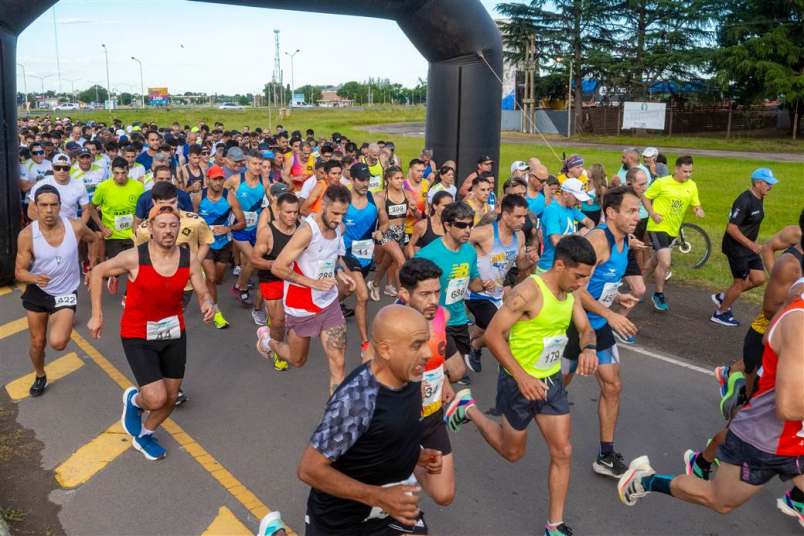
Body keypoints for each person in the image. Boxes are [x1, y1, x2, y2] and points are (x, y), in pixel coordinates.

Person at [444, 235, 599, 536]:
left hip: (550, 381)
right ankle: (469, 409)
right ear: (559, 265)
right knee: (512, 452)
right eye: (579, 275)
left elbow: (585, 328)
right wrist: (522, 376)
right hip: (518, 382)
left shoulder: (571, 293)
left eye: (587, 277)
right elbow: (492, 336)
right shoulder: (528, 293)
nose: (582, 283)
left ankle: (554, 525)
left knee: (563, 450)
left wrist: (589, 348)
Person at [618, 278, 804, 527]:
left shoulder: (797, 293)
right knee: (719, 500)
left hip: (797, 441)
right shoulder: (798, 323)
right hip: (764, 441)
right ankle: (646, 480)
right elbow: (789, 406)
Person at [88, 205, 215, 460]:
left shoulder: (187, 257)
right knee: (156, 398)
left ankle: (145, 434)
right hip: (138, 334)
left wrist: (206, 302)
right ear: (150, 228)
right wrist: (97, 314)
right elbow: (98, 271)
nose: (168, 231)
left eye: (173, 225)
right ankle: (135, 401)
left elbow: (201, 289)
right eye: (162, 225)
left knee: (170, 397)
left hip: (173, 332)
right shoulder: (134, 257)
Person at [297, 305, 437, 535]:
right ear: (386, 349)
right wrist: (378, 496)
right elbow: (309, 470)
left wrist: (417, 454)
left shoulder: (412, 377)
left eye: (426, 342)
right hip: (341, 522)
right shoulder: (357, 400)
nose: (428, 353)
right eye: (416, 345)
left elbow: (388, 432)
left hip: (388, 512)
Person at [561, 187, 642, 479]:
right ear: (611, 212)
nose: (638, 216)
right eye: (631, 211)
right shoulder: (598, 241)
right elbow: (575, 288)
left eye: (639, 210)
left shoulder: (624, 242)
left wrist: (616, 298)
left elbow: (600, 284)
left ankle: (606, 454)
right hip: (573, 322)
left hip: (597, 322)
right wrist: (609, 313)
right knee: (554, 388)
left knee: (612, 385)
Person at [256, 185, 356, 394]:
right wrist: (313, 283)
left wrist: (340, 272)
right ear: (324, 206)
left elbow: (332, 257)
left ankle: (335, 421)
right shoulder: (307, 231)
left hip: (328, 304)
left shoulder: (339, 228)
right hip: (301, 305)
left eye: (343, 214)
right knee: (297, 360)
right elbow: (278, 267)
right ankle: (267, 340)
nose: (339, 219)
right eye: (335, 213)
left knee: (338, 363)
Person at [14, 185, 96, 397]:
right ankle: (40, 374)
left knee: (58, 343)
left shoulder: (75, 227)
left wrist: (92, 265)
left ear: (60, 206)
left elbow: (94, 239)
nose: (49, 210)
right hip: (38, 292)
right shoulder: (26, 235)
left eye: (53, 205)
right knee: (37, 342)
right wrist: (34, 277)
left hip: (65, 292)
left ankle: (59, 319)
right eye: (44, 205)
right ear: (35, 207)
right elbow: (19, 272)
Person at [397, 258, 460, 507]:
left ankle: (409, 467)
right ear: (404, 294)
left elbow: (441, 356)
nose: (433, 300)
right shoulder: (391, 326)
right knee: (399, 509)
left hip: (431, 416)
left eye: (437, 292)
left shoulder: (440, 315)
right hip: (399, 425)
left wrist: (443, 377)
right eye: (425, 294)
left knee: (444, 495)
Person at [416, 201, 493, 384]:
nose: (467, 230)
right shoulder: (428, 255)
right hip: (436, 321)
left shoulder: (469, 251)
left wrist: (482, 285)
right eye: (461, 225)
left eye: (470, 225)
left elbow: (472, 283)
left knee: (455, 374)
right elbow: (411, 288)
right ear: (447, 225)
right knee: (443, 372)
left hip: (459, 319)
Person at [465, 194, 536, 373]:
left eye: (524, 216)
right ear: (505, 215)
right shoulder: (485, 233)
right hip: (475, 294)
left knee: (484, 329)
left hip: (496, 295)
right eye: (518, 216)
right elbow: (455, 242)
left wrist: (530, 260)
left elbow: (519, 264)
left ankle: (472, 345)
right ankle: (477, 348)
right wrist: (469, 270)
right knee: (502, 333)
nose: (523, 221)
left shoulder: (519, 236)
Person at [711, 168, 778, 327]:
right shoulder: (744, 200)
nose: (771, 186)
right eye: (768, 184)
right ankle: (721, 313)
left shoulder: (760, 196)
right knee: (739, 283)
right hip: (737, 247)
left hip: (748, 247)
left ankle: (725, 296)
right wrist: (751, 245)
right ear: (757, 183)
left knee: (759, 279)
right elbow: (731, 228)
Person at [643, 155, 705, 311]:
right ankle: (658, 294)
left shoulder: (692, 185)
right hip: (657, 227)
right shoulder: (661, 183)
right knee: (665, 261)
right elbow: (645, 197)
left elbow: (695, 204)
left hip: (673, 229)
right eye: (685, 171)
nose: (688, 174)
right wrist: (652, 213)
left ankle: (638, 286)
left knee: (654, 261)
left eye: (690, 171)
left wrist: (698, 210)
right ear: (677, 169)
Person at [251, 192, 300, 371]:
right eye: (288, 212)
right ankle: (278, 352)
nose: (292, 216)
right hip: (271, 278)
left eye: (295, 212)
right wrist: (275, 265)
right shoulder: (267, 232)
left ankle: (269, 333)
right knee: (278, 321)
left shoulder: (302, 229)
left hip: (293, 278)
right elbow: (255, 260)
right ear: (278, 211)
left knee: (293, 319)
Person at [339, 163, 381, 358]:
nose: (366, 183)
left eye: (368, 179)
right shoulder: (344, 200)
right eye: (362, 180)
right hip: (346, 253)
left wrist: (382, 230)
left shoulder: (375, 199)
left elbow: (386, 221)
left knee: (347, 290)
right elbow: (331, 222)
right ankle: (365, 343)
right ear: (353, 180)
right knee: (362, 295)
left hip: (366, 256)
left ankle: (323, 306)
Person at [196, 165, 245, 330]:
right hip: (205, 244)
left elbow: (242, 222)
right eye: (215, 179)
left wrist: (228, 228)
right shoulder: (198, 197)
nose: (218, 182)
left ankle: (204, 283)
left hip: (224, 243)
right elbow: (191, 220)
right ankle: (215, 311)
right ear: (208, 179)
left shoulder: (229, 196)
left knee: (217, 278)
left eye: (220, 179)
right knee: (210, 278)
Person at [89, 156, 145, 294]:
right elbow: (91, 208)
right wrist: (102, 228)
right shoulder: (103, 187)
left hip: (133, 233)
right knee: (118, 265)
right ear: (111, 171)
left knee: (136, 265)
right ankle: (113, 276)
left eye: (123, 173)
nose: (120, 176)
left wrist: (142, 225)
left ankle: (129, 294)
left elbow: (143, 208)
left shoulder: (138, 187)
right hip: (113, 234)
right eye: (116, 173)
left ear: (128, 171)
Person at [368, 166, 414, 300]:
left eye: (402, 178)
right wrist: (374, 233)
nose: (401, 181)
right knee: (401, 261)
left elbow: (417, 215)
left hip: (401, 232)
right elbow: (373, 217)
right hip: (386, 233)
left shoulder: (407, 194)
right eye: (397, 178)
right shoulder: (381, 196)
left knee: (387, 263)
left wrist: (414, 209)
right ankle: (403, 296)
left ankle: (375, 284)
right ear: (388, 179)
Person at [228, 150, 266, 308]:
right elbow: (221, 194)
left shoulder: (265, 182)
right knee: (253, 259)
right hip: (240, 227)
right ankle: (240, 288)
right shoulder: (236, 180)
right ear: (247, 164)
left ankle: (239, 286)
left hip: (256, 228)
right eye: (254, 164)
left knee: (250, 262)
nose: (257, 167)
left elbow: (271, 203)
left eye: (260, 164)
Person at [537, 178, 595, 273]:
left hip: (566, 267)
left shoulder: (571, 208)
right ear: (565, 194)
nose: (579, 202)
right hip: (550, 268)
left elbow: (591, 223)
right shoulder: (552, 211)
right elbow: (556, 241)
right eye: (576, 198)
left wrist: (586, 230)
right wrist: (578, 235)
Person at [27, 153, 90, 223]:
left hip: (71, 226)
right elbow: (31, 211)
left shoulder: (79, 185)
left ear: (70, 168)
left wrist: (79, 227)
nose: (61, 171)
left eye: (65, 168)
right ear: (52, 168)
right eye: (57, 168)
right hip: (46, 226)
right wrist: (46, 226)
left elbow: (86, 210)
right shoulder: (41, 185)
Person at [408, 190, 452, 257]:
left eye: (450, 206)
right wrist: (414, 263)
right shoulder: (422, 225)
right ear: (435, 206)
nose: (448, 209)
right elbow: (411, 245)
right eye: (445, 206)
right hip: (426, 265)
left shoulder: (452, 226)